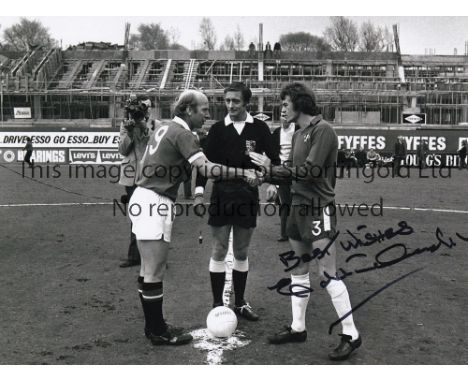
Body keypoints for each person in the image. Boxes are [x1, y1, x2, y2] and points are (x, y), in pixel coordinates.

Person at [129, 89, 258, 346]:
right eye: (204, 110)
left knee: (147, 270)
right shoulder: (183, 134)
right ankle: (158, 331)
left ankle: (154, 326)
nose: (207, 115)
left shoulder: (165, 128)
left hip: (144, 198)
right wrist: (243, 173)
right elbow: (208, 169)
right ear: (188, 110)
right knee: (154, 271)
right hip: (155, 200)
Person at [249, 83, 362, 361]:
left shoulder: (323, 130)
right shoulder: (298, 133)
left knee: (327, 273)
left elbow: (310, 171)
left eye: (286, 103)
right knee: (299, 267)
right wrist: (266, 177)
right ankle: (298, 328)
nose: (282, 108)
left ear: (300, 103)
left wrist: (271, 168)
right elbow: (291, 173)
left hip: (317, 208)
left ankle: (351, 334)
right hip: (297, 207)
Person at [195, 82, 280, 321]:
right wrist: (200, 192)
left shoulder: (260, 129)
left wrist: (270, 180)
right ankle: (216, 304)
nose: (230, 106)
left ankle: (240, 302)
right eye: (227, 101)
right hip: (222, 194)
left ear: (246, 103)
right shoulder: (218, 130)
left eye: (236, 101)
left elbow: (275, 161)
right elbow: (204, 165)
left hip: (247, 196)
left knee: (241, 252)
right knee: (219, 249)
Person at [118, 96, 155, 268]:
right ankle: (134, 256)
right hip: (131, 176)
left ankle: (154, 256)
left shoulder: (154, 124)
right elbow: (123, 149)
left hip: (149, 175)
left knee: (154, 216)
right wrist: (130, 132)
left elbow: (153, 145)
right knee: (136, 215)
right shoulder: (125, 125)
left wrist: (142, 126)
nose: (137, 114)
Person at [270, 117, 298, 241]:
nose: (284, 119)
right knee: (284, 203)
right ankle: (284, 233)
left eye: (286, 116)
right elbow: (273, 153)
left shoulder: (298, 130)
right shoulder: (277, 132)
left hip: (296, 171)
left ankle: (297, 231)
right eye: (281, 116)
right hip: (281, 172)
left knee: (297, 202)